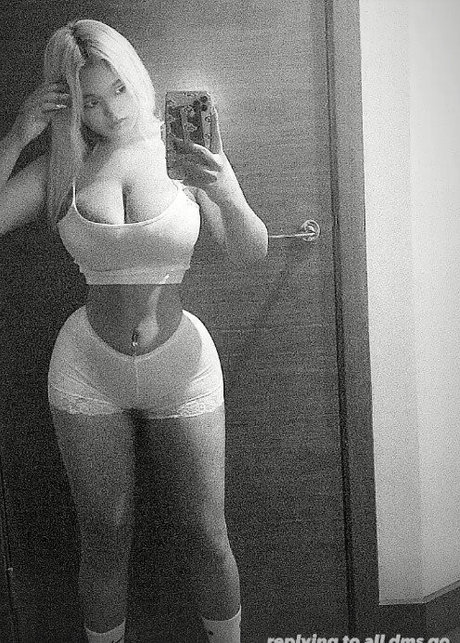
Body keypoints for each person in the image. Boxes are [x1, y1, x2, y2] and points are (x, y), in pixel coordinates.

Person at [0, 18, 268, 643]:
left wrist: (226, 189)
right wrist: (16, 135)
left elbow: (249, 252)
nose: (110, 110)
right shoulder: (65, 164)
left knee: (208, 536)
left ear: (136, 75)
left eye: (117, 88)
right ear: (72, 105)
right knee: (102, 536)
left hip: (183, 366)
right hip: (87, 369)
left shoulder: (182, 151)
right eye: (90, 101)